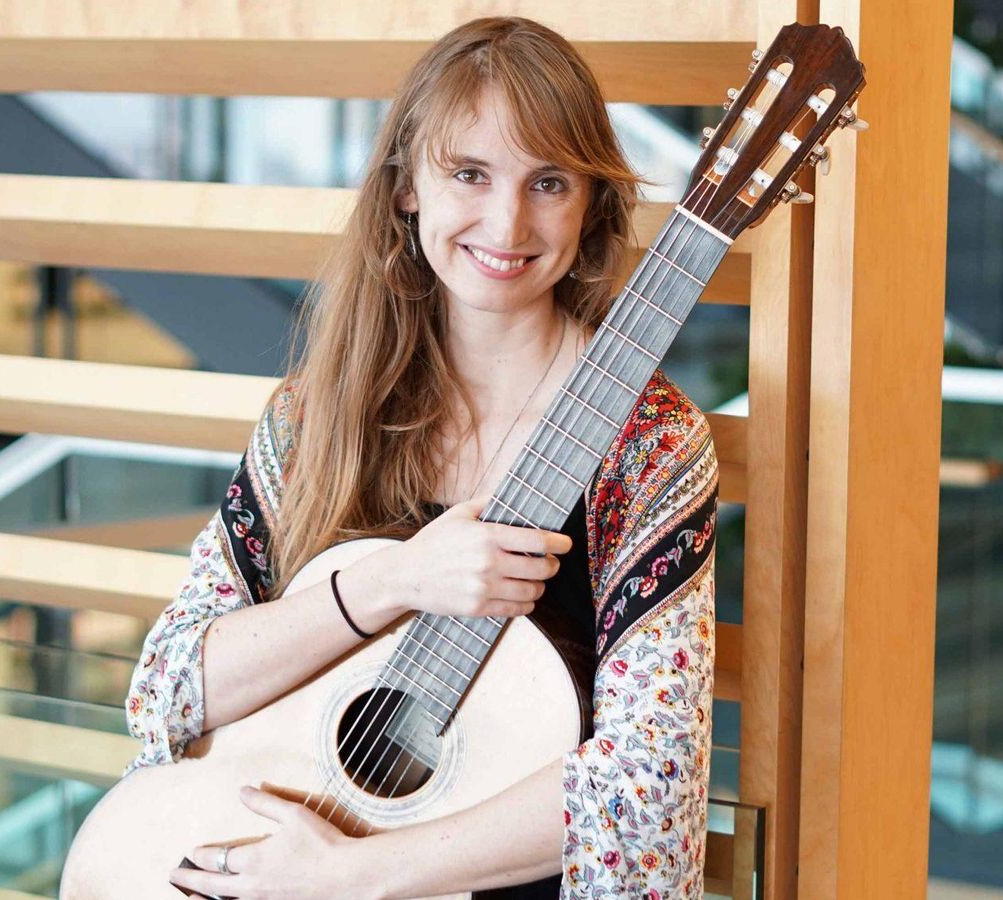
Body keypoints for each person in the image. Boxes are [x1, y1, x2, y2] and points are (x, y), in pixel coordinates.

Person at [122, 16, 719, 900]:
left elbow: (650, 797)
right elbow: (168, 692)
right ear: (408, 188)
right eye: (469, 173)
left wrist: (349, 874)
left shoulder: (652, 446)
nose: (507, 222)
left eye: (548, 182)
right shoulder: (312, 417)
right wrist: (391, 582)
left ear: (590, 200)